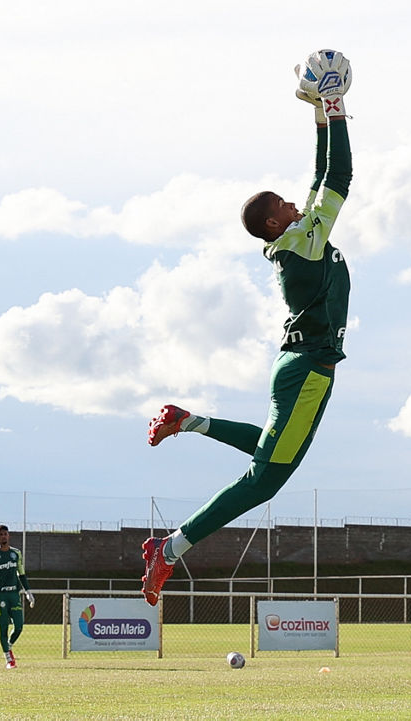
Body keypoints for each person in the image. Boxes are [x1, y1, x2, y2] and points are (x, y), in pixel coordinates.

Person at [140, 50, 354, 606]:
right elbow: (339, 176)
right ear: (274, 223)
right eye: (283, 203)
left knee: (268, 453)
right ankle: (170, 550)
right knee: (265, 479)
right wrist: (334, 103)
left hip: (299, 365)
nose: (294, 201)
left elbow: (320, 176)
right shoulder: (303, 242)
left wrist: (319, 116)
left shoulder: (298, 238)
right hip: (309, 369)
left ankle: (189, 421)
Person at [0, 524, 35, 668]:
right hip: (0, 595)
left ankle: (8, 645)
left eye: (5, 534)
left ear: (8, 536)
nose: (3, 536)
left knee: (19, 626)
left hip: (14, 594)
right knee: (3, 627)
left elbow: (21, 574)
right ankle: (8, 659)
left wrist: (28, 592)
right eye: (1, 534)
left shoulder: (16, 553)